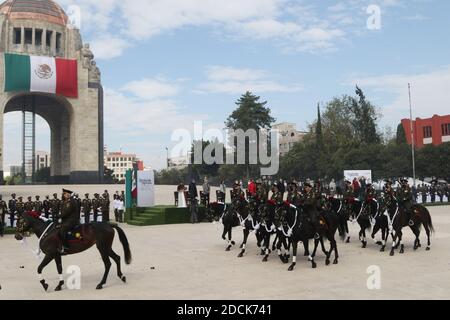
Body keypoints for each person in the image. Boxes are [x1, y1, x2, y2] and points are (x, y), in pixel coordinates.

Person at [58, 189, 79, 253]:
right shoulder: (66, 201)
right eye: (64, 194)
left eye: (65, 194)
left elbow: (67, 212)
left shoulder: (70, 201)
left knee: (63, 230)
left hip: (71, 220)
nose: (64, 195)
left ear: (69, 194)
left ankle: (66, 247)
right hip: (67, 220)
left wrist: (58, 216)